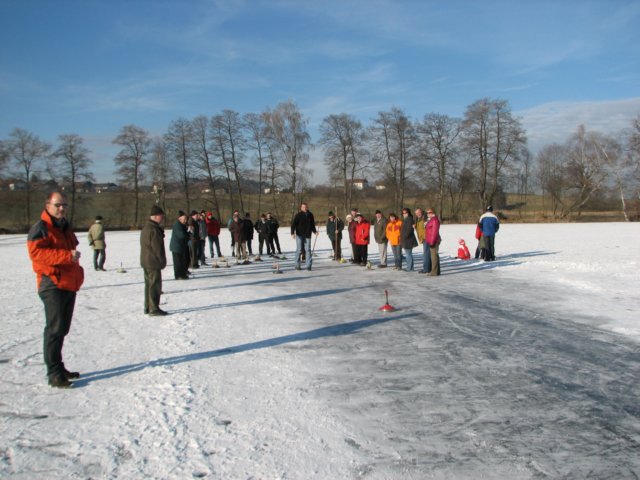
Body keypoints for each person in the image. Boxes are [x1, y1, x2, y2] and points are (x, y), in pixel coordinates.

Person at [27, 191, 84, 388]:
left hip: (68, 283)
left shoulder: (65, 227)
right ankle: (53, 373)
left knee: (62, 328)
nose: (61, 209)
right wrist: (67, 256)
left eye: (64, 205)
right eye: (58, 205)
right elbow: (37, 254)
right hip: (52, 284)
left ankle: (59, 367)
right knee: (55, 328)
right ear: (48, 205)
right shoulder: (41, 228)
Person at [140, 205, 168, 316]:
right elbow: (157, 248)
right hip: (153, 262)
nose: (162, 218)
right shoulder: (154, 230)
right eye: (161, 216)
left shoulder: (146, 228)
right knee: (155, 285)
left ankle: (148, 307)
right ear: (156, 216)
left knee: (148, 285)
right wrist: (162, 261)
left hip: (145, 260)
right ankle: (154, 308)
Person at [291, 202, 318, 271]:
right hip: (299, 235)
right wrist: (292, 233)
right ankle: (297, 265)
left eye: (305, 207)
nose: (304, 208)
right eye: (303, 207)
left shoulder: (310, 215)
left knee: (308, 250)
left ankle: (308, 265)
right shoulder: (298, 215)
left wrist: (315, 231)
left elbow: (312, 225)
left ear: (307, 207)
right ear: (301, 208)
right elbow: (293, 224)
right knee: (299, 249)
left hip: (308, 234)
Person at [170, 211, 190, 280]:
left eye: (186, 219)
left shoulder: (182, 225)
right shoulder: (177, 225)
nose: (185, 220)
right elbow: (182, 235)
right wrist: (189, 234)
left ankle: (182, 274)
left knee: (182, 261)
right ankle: (178, 275)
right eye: (184, 219)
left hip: (181, 247)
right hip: (176, 247)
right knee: (177, 263)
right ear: (180, 218)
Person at [425, 208, 441, 276]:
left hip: (434, 240)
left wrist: (432, 242)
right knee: (434, 256)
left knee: (434, 256)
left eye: (430, 212)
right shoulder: (431, 220)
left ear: (433, 213)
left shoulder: (434, 220)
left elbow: (434, 232)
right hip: (431, 240)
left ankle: (434, 272)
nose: (428, 214)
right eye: (427, 213)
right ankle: (437, 271)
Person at [415, 208, 430, 274]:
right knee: (427, 254)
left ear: (421, 211)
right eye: (416, 213)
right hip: (423, 238)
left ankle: (426, 269)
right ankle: (428, 268)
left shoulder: (425, 218)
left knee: (426, 254)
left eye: (419, 212)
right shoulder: (418, 219)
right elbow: (419, 229)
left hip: (426, 238)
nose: (418, 214)